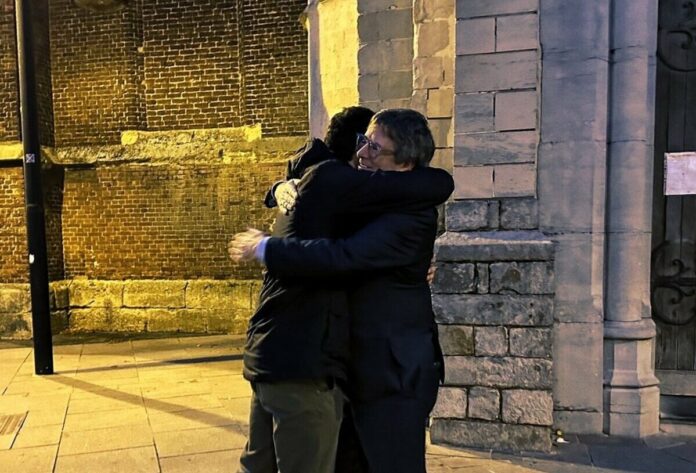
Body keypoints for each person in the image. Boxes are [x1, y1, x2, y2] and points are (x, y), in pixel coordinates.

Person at [231, 108, 454, 473]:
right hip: (345, 366)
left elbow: (344, 255)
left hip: (392, 374)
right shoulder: (364, 194)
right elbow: (314, 173)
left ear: (405, 164)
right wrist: (280, 187)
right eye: (363, 141)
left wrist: (267, 248)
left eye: (374, 148)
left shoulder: (411, 214)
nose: (362, 153)